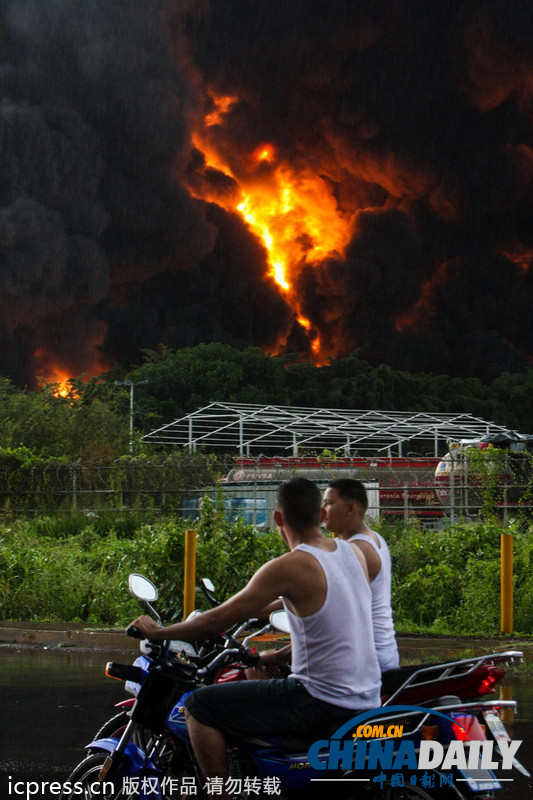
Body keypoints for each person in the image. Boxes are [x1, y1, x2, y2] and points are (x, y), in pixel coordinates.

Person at [130, 478, 381, 796]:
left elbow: (217, 620)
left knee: (198, 706)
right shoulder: (351, 553)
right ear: (321, 513)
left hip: (320, 700)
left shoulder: (289, 566)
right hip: (367, 696)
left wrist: (160, 631)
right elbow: (336, 621)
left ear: (278, 518)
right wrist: (281, 655)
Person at [322, 478, 400, 672]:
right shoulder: (373, 538)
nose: (322, 509)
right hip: (380, 651)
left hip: (367, 658)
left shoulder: (357, 549)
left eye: (329, 503)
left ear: (350, 509)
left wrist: (255, 609)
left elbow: (324, 600)